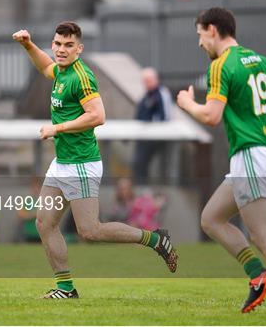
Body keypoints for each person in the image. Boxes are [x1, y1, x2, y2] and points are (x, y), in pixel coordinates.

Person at [12, 21, 178, 299]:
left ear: (80, 48)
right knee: (44, 223)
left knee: (90, 231)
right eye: (57, 44)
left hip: (81, 164)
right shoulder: (62, 71)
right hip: (62, 162)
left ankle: (155, 239)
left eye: (68, 45)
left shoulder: (81, 76)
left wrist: (57, 128)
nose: (61, 50)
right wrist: (28, 45)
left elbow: (98, 116)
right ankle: (65, 289)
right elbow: (45, 67)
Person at [176, 7, 266, 319]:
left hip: (252, 156)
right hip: (259, 154)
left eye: (200, 35)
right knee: (211, 218)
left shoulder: (221, 65)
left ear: (212, 30)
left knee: (263, 236)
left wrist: (187, 103)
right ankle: (258, 274)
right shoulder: (257, 59)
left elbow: (212, 116)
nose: (200, 43)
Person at [133, 68, 173, 183]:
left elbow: (165, 117)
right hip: (144, 136)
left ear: (156, 79)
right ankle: (141, 189)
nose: (146, 83)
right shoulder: (146, 95)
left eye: (148, 80)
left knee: (158, 167)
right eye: (144, 80)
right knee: (139, 164)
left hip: (157, 137)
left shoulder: (161, 93)